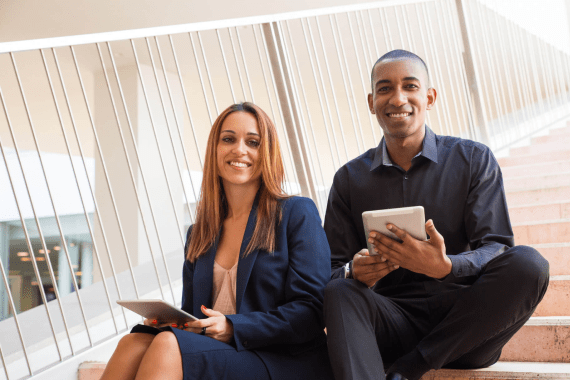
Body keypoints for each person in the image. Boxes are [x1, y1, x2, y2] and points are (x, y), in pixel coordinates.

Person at [322, 49, 550, 380]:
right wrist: (354, 271)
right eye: (385, 88)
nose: (398, 99)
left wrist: (445, 267)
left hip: (467, 327)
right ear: (371, 102)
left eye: (410, 86)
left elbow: (497, 245)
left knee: (529, 264)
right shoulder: (349, 179)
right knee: (340, 290)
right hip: (391, 322)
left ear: (429, 97)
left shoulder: (473, 159)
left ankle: (410, 367)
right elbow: (330, 271)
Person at [101, 102, 333, 380]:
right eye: (228, 139)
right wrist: (173, 320)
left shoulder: (296, 213)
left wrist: (234, 327)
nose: (239, 149)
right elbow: (193, 311)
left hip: (281, 358)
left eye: (253, 142)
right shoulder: (200, 232)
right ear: (215, 149)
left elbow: (310, 311)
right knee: (133, 344)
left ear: (267, 152)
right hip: (219, 351)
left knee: (168, 345)